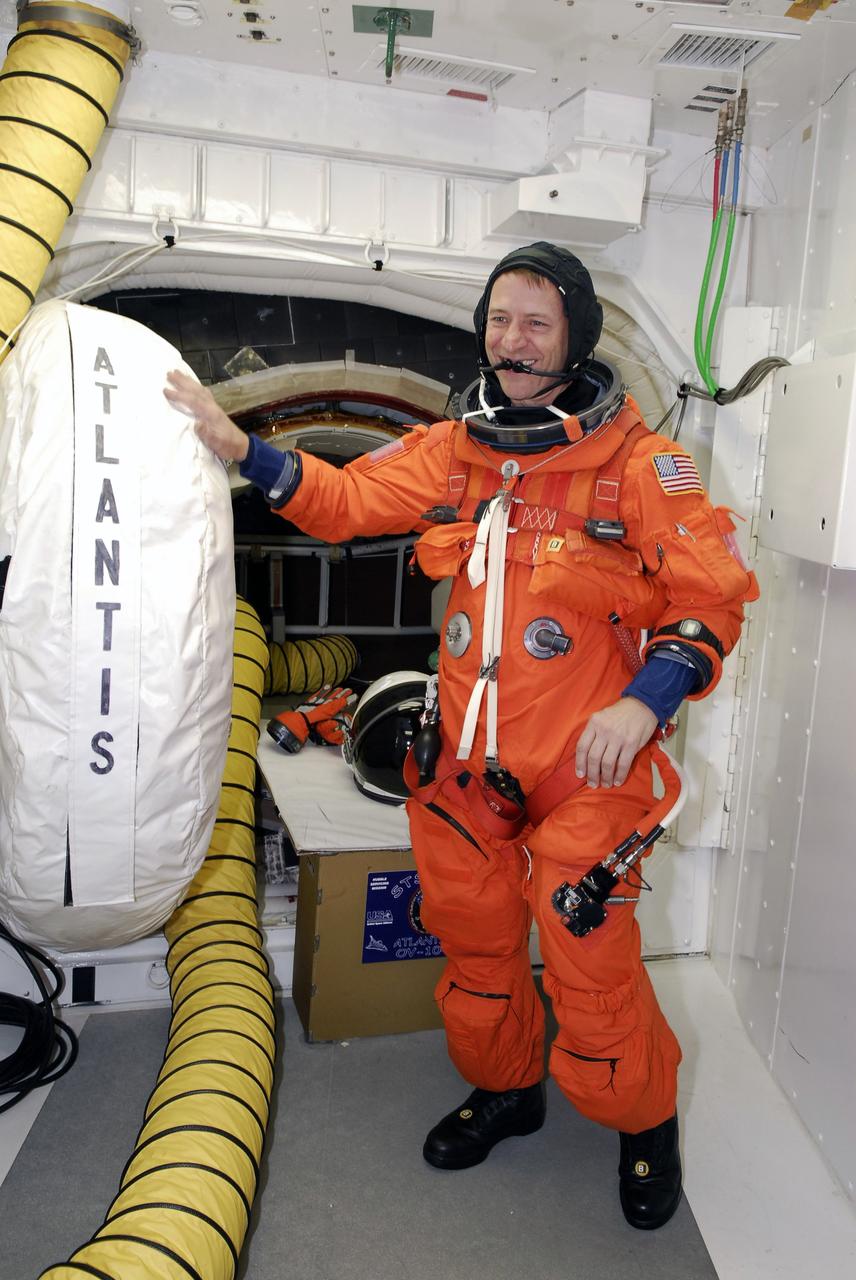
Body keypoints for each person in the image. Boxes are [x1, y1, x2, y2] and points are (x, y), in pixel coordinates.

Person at [164, 241, 757, 1230]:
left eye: (535, 322)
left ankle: (643, 1120)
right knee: (476, 952)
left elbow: (712, 594)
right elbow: (347, 501)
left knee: (587, 961)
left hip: (590, 766)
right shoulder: (456, 448)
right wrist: (243, 450)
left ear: (573, 333)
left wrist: (643, 699)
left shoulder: (642, 462)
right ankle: (509, 1090)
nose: (512, 342)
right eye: (498, 320)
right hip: (468, 768)